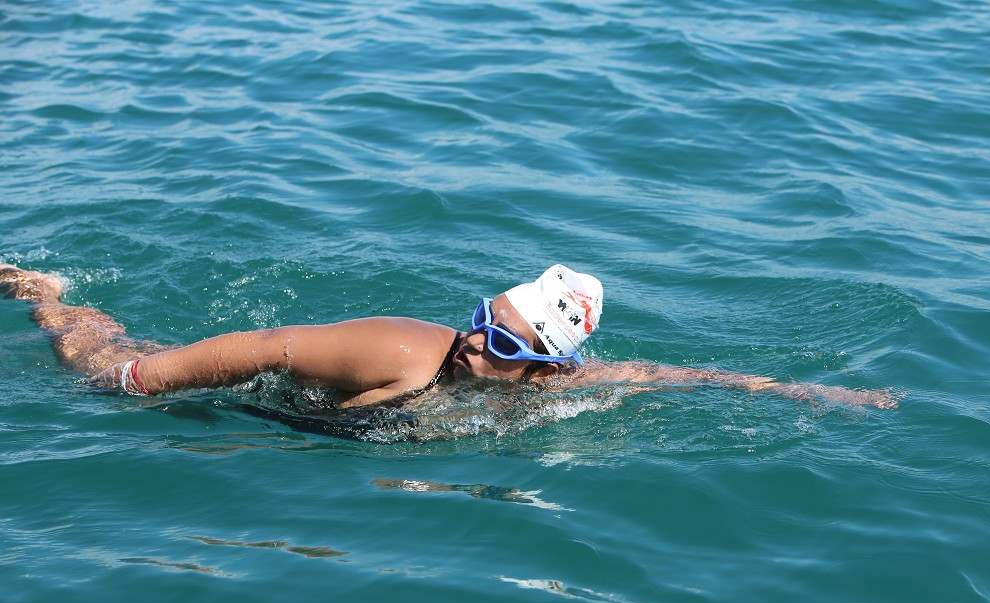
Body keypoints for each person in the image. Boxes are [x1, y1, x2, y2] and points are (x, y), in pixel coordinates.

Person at [0, 262, 897, 409]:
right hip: (252, 393)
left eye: (502, 348)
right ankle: (39, 288)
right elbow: (265, 344)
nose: (473, 349)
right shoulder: (400, 351)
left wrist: (804, 392)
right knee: (91, 356)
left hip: (303, 436)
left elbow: (674, 374)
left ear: (547, 369)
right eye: (480, 325)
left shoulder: (565, 392)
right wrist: (140, 384)